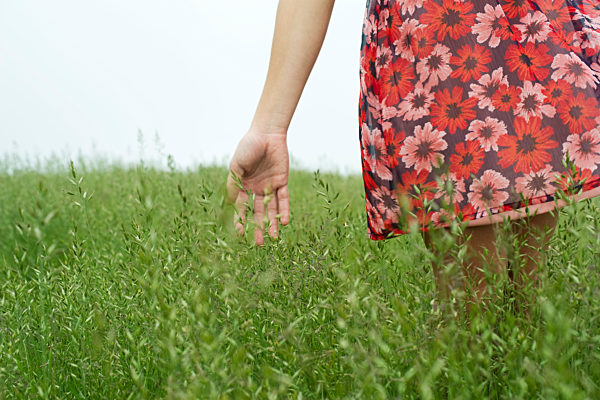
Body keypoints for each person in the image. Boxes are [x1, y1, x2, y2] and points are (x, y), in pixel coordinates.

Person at [227, 0, 600, 310]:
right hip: (441, 39)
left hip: (531, 28)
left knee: (528, 294)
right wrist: (270, 124)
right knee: (471, 302)